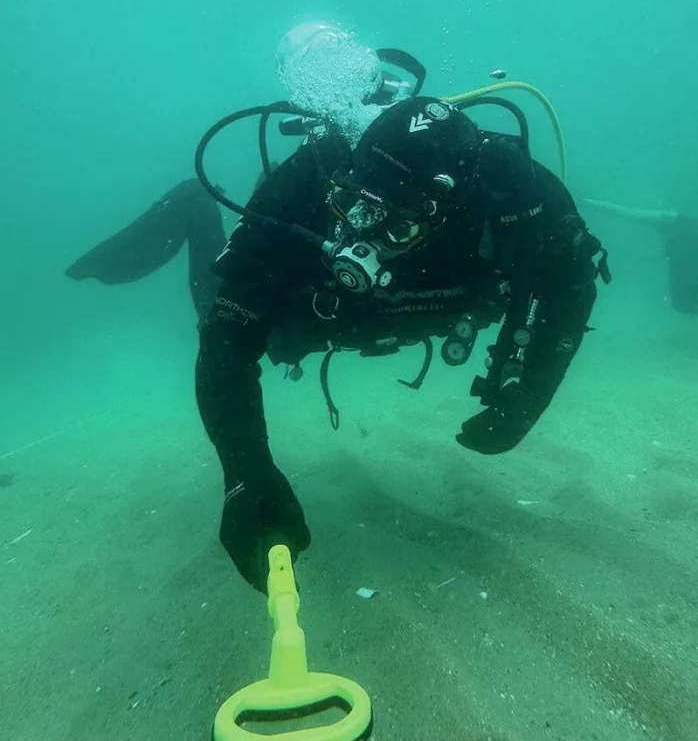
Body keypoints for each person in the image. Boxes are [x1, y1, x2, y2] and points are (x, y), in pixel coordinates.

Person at [195, 96, 611, 592]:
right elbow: (226, 337)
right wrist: (245, 471)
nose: (359, 231)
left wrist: (527, 398)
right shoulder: (310, 177)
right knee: (209, 302)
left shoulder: (513, 194)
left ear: (447, 211)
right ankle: (191, 207)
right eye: (352, 204)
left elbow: (571, 283)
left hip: (419, 306)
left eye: (394, 224)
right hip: (307, 318)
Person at [65, 22, 421, 317]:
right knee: (223, 205)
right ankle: (110, 263)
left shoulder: (425, 147)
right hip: (265, 301)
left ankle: (107, 267)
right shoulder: (315, 157)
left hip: (341, 295)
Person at [584, 198, 698, 314]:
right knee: (631, 214)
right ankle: (586, 201)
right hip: (677, 228)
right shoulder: (681, 234)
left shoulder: (681, 233)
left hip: (677, 227)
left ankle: (586, 201)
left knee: (631, 214)